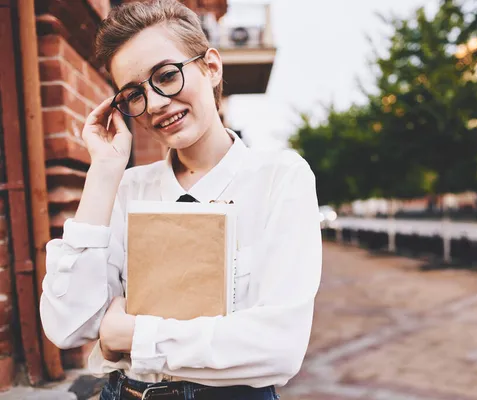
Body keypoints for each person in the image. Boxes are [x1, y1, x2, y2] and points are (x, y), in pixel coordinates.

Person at [39, 1, 322, 399]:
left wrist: (132, 336)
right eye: (133, 94)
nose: (154, 104)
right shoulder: (127, 188)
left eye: (166, 76)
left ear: (211, 67)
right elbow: (66, 324)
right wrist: (104, 172)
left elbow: (279, 348)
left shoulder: (279, 178)